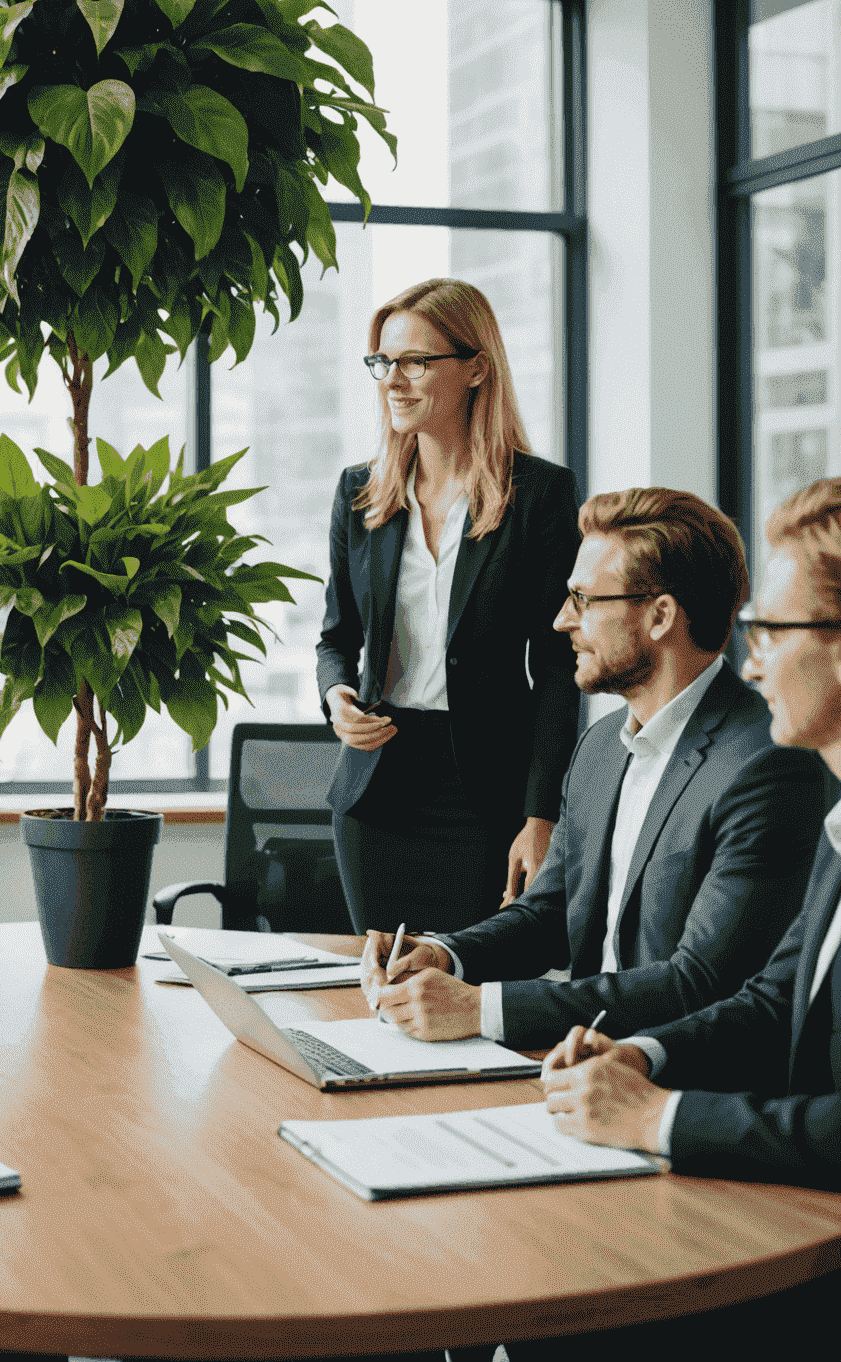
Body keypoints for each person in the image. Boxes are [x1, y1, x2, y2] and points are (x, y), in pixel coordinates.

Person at [527, 476, 841, 1358]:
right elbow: (774, 995)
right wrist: (643, 1054)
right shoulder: (839, 822)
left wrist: (655, 1117)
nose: (751, 662)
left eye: (772, 634)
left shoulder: (767, 770)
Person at [360, 488, 825, 1049]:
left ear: (659, 616)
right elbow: (551, 912)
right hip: (575, 1068)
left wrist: (483, 1008)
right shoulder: (601, 746)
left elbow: (700, 984)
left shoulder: (767, 765)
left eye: (582, 599)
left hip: (662, 1081)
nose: (560, 621)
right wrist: (446, 953)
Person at [316, 277, 581, 934]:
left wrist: (540, 815)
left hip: (487, 795)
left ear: (475, 369)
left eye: (415, 362)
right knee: (382, 987)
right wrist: (336, 698)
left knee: (464, 990)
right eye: (383, 361)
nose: (392, 380)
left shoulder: (540, 495)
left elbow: (558, 665)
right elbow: (334, 639)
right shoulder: (361, 494)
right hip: (378, 790)